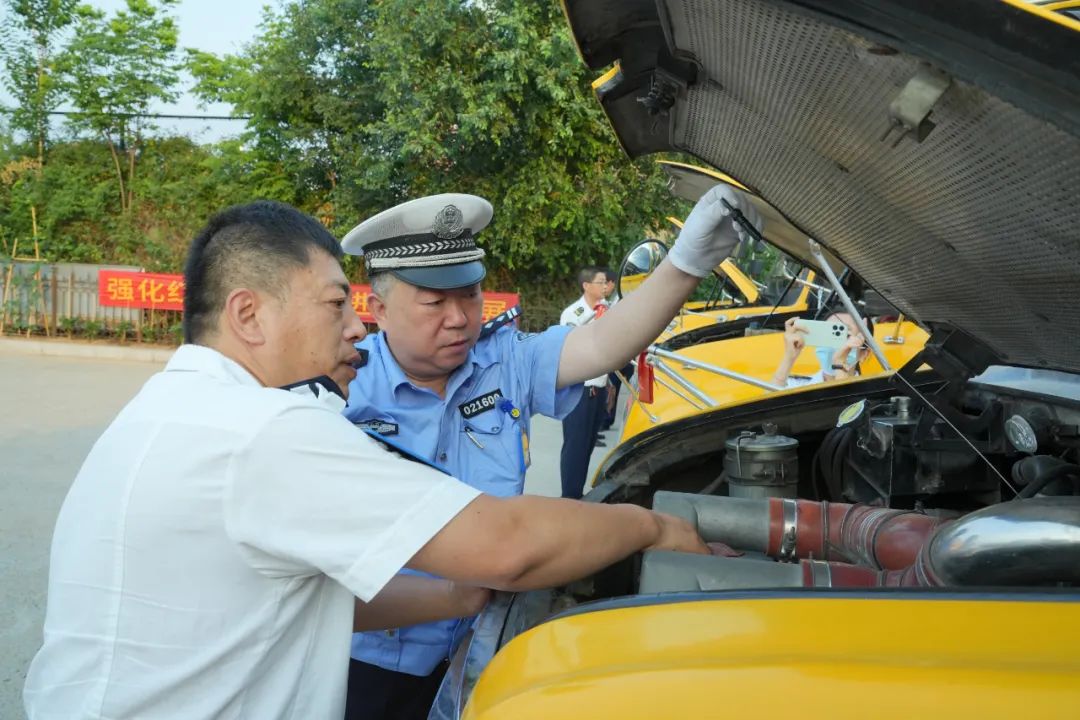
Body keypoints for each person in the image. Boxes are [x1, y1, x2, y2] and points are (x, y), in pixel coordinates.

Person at [22, 200, 710, 720]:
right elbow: (505, 547)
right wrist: (647, 527)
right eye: (333, 305)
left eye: (468, 294)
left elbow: (300, 596)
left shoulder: (173, 405)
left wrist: (455, 597)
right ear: (248, 315)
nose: (354, 326)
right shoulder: (271, 426)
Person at [341, 185, 762, 720]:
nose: (459, 318)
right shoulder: (342, 390)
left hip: (489, 645)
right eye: (434, 301)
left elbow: (600, 344)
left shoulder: (502, 361)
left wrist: (685, 262)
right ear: (377, 308)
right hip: (378, 664)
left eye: (469, 295)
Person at [559, 266, 613, 498]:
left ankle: (578, 493)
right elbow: (571, 349)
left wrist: (609, 382)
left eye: (605, 282)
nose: (605, 286)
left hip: (599, 388)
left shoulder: (608, 310)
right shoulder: (573, 314)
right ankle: (569, 496)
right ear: (586, 286)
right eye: (600, 282)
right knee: (575, 447)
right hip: (579, 390)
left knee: (589, 444)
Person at [771, 312, 875, 389]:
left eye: (846, 335)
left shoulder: (871, 393)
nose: (833, 343)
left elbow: (843, 413)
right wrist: (789, 358)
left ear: (864, 354)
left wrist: (840, 366)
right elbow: (768, 412)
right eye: (828, 334)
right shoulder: (797, 385)